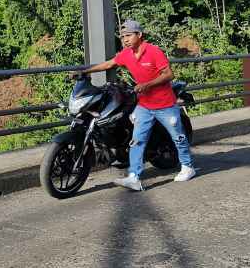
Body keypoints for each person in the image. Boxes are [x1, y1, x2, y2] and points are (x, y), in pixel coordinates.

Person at [77, 19, 195, 191]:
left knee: (178, 136)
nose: (125, 39)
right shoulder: (126, 54)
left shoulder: (154, 51)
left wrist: (148, 85)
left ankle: (188, 166)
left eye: (128, 35)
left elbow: (169, 74)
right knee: (137, 140)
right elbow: (109, 64)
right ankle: (134, 176)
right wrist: (85, 71)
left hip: (165, 104)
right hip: (145, 105)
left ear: (139, 35)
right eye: (123, 36)